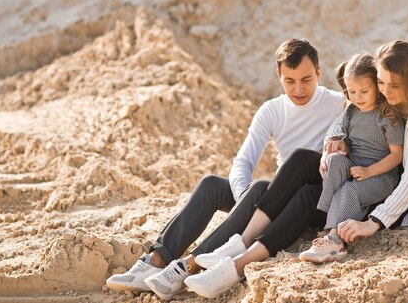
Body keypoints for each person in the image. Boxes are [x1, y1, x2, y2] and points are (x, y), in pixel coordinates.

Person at [181, 40, 408, 299]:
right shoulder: (373, 99)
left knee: (308, 198)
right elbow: (345, 117)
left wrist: (373, 223)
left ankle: (238, 266)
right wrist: (333, 143)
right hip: (361, 174)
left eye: (395, 85)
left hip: (398, 194)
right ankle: (241, 243)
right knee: (300, 161)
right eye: (381, 82)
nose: (387, 91)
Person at [105, 39, 344, 300]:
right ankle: (157, 258)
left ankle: (186, 267)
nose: (298, 88)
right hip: (272, 200)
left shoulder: (339, 104)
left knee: (263, 187)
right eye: (289, 80)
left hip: (307, 200)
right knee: (213, 185)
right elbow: (243, 162)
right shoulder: (272, 110)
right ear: (279, 76)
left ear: (319, 73)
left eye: (306, 79)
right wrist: (245, 197)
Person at [298, 52, 405, 263]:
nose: (358, 97)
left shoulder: (387, 116)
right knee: (334, 160)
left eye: (364, 91)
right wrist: (341, 145)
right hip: (355, 166)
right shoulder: (351, 112)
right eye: (352, 91)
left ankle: (335, 241)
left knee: (348, 190)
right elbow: (349, 141)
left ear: (378, 86)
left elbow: (397, 155)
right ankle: (327, 216)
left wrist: (369, 172)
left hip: (381, 175)